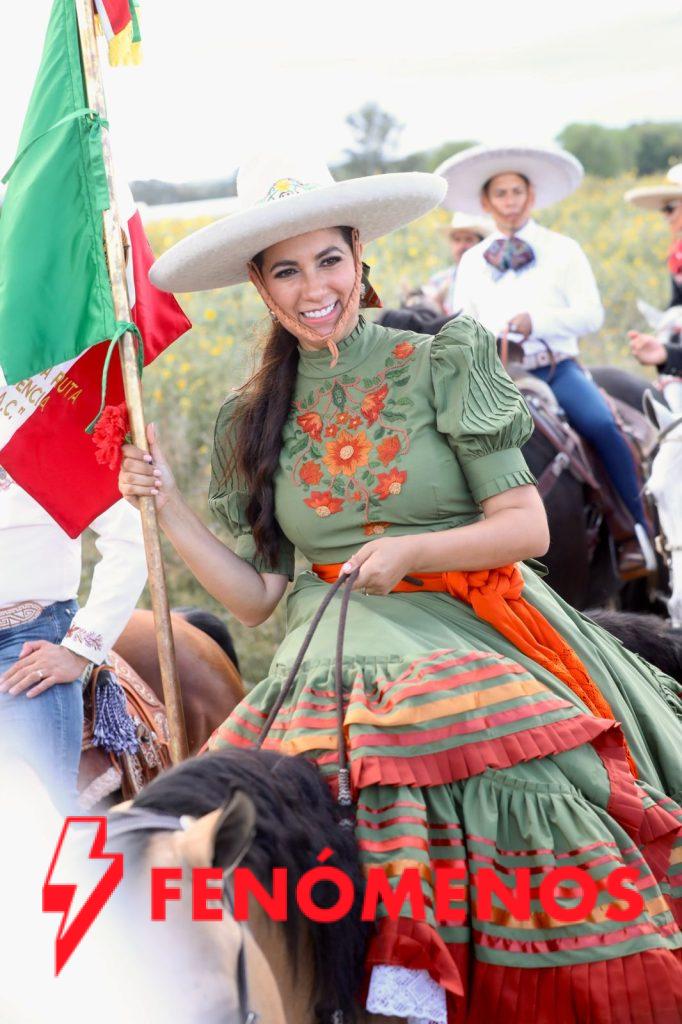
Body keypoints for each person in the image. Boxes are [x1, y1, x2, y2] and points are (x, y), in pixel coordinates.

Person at [119, 151, 682, 1023]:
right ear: (262, 290)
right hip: (321, 648)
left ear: (359, 255)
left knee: (509, 782)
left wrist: (415, 552)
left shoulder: (440, 360)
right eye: (287, 271)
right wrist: (172, 511)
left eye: (329, 260)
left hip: (460, 618)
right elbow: (262, 601)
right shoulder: (252, 414)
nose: (315, 288)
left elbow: (527, 528)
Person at [438, 143, 656, 578]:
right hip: (494, 375)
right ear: (486, 203)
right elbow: (460, 320)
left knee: (599, 425)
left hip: (554, 368)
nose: (510, 201)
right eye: (500, 194)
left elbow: (591, 315)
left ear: (531, 196)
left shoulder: (563, 249)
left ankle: (635, 533)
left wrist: (536, 321)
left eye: (517, 191)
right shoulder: (473, 262)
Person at [0, 468, 147, 809]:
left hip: (28, 641)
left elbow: (129, 537)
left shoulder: (43, 429)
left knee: (31, 809)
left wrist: (79, 650)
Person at [624, 172, 682, 376]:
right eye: (663, 210)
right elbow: (677, 304)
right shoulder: (677, 254)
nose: (665, 216)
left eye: (669, 208)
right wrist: (665, 350)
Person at [422, 211, 493, 315]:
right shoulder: (438, 281)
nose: (462, 246)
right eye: (457, 240)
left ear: (480, 244)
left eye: (468, 240)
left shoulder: (492, 278)